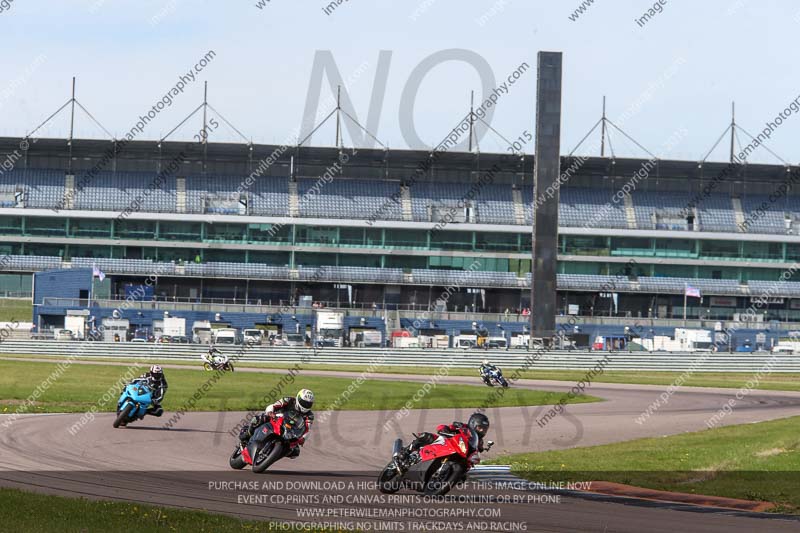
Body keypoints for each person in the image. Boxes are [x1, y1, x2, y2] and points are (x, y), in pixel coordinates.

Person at [395, 413, 492, 469]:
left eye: (484, 429)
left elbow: (476, 451)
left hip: (457, 455)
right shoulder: (463, 427)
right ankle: (406, 452)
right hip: (446, 444)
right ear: (473, 423)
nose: (482, 431)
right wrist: (445, 429)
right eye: (480, 428)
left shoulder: (479, 442)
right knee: (426, 436)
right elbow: (447, 427)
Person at [239, 389, 315, 458]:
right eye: (303, 402)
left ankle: (273, 455)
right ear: (298, 399)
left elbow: (307, 429)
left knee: (295, 452)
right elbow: (274, 405)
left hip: (291, 431)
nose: (305, 405)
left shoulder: (309, 415)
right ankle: (247, 434)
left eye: (308, 404)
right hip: (276, 418)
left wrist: (303, 439)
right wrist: (270, 412)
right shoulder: (289, 400)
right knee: (259, 419)